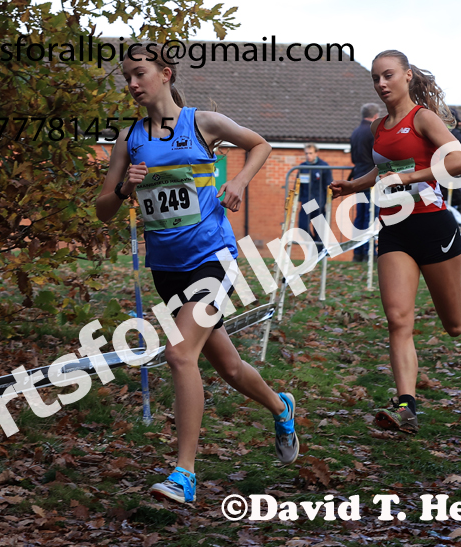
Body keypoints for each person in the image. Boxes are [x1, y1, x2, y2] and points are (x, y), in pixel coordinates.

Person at [95, 47, 299, 504]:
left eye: (139, 74)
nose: (132, 84)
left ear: (165, 74)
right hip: (166, 269)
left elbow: (260, 144)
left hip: (212, 258)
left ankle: (183, 474)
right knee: (228, 366)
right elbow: (103, 209)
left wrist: (239, 181)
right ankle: (280, 406)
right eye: (127, 77)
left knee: (180, 354)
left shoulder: (202, 123)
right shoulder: (130, 139)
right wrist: (126, 188)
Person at [330, 50, 461, 434]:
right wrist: (353, 186)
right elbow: (384, 170)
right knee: (398, 319)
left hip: (433, 227)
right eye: (376, 78)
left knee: (454, 323)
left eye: (388, 75)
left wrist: (409, 178)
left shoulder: (422, 118)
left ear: (407, 76)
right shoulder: (378, 127)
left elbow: (459, 162)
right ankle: (406, 405)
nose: (381, 84)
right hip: (395, 230)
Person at [349, 103, 380, 262]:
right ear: (375, 116)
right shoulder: (373, 132)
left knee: (360, 216)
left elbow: (353, 157)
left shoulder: (355, 132)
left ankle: (358, 251)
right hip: (371, 178)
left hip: (358, 177)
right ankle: (369, 251)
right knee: (371, 215)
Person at [297, 143, 332, 246]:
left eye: (310, 153)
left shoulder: (323, 166)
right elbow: (298, 185)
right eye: (306, 153)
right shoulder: (303, 167)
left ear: (316, 153)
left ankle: (318, 252)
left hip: (319, 203)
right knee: (302, 228)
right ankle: (313, 248)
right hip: (306, 202)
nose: (308, 156)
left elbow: (329, 186)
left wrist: (327, 202)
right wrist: (298, 200)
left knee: (319, 232)